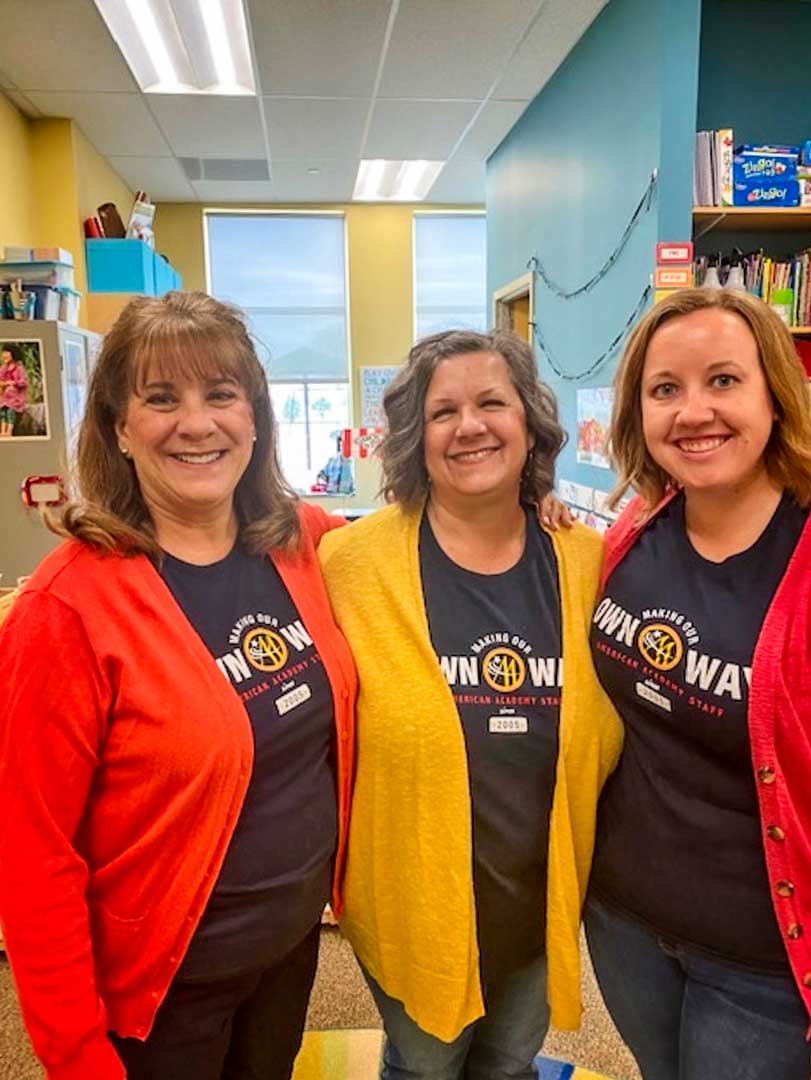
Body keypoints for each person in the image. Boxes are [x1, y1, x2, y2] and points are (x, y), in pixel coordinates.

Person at [0, 291, 357, 1080]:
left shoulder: (303, 545)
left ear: (255, 418)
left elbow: (422, 542)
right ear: (120, 428)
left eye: (220, 395)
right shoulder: (65, 610)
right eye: (161, 399)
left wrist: (528, 504)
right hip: (162, 995)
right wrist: (74, 1053)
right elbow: (33, 858)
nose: (196, 423)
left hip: (291, 950)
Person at [318, 329, 623, 1079]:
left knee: (509, 1063)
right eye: (442, 411)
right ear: (414, 437)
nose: (470, 425)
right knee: (423, 1065)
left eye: (492, 402)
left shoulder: (587, 561)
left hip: (536, 901)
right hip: (409, 901)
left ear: (529, 424)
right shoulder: (351, 564)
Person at [586, 287, 811, 1080]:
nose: (692, 412)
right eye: (665, 389)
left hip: (760, 959)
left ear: (774, 396)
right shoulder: (629, 534)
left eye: (723, 381)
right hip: (621, 921)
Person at [0, 342, 29, 436]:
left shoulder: (19, 368)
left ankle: (9, 431)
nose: (4, 355)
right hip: (4, 396)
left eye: (6, 352)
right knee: (2, 411)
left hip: (16, 397)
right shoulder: (3, 368)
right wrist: (5, 384)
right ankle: (3, 430)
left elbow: (24, 382)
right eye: (3, 352)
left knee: (10, 410)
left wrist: (14, 383)